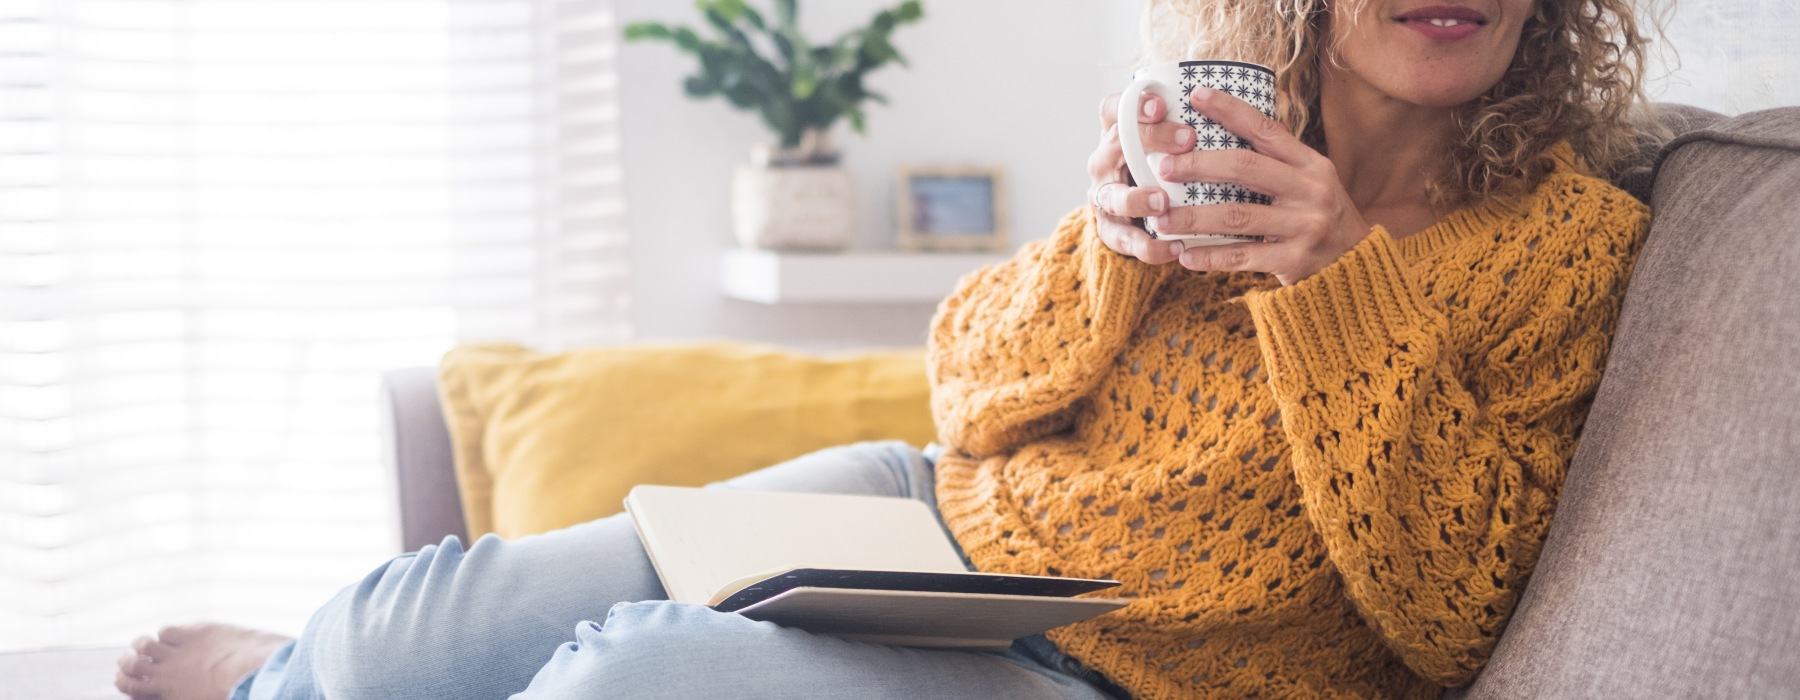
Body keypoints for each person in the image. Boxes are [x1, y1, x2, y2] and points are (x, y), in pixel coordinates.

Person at [115, 0, 1661, 697]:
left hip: (1125, 671)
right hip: (923, 517)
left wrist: (1334, 284)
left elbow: (1458, 613)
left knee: (629, 685)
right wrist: (1101, 247)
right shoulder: (1217, 138)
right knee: (406, 625)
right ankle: (285, 682)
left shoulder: (1573, 242)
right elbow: (973, 398)